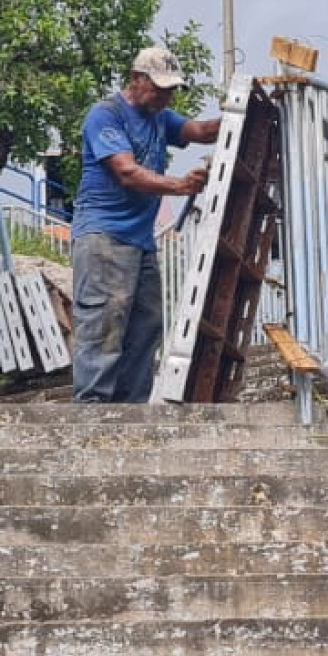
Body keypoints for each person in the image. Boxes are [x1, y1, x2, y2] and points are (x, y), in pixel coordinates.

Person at [70, 45, 220, 403]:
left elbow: (198, 130)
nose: (166, 96)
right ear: (136, 79)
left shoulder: (159, 115)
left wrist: (240, 114)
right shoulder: (106, 115)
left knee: (145, 326)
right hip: (103, 238)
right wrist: (180, 186)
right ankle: (91, 414)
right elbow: (126, 172)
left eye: (171, 90)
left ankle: (131, 413)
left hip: (140, 241)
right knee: (104, 325)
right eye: (159, 87)